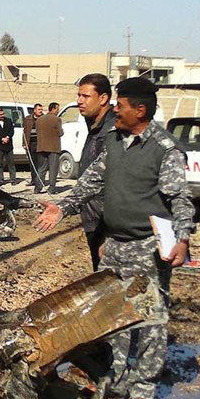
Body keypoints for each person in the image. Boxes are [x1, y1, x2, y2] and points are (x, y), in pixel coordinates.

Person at [33, 77, 194, 399]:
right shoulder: (115, 141)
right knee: (109, 317)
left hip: (149, 247)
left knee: (150, 320)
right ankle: (110, 377)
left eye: (120, 105)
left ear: (141, 110)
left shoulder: (164, 149)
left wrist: (182, 238)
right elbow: (92, 180)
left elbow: (179, 197)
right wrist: (63, 206)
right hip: (115, 244)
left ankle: (143, 391)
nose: (115, 110)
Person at [76, 73, 116, 270]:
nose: (79, 101)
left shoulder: (112, 130)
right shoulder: (95, 125)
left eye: (85, 96)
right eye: (79, 95)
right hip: (94, 216)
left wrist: (110, 233)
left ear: (103, 98)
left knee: (111, 279)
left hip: (107, 219)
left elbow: (116, 181)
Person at [34, 102, 64, 194]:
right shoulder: (56, 119)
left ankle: (37, 188)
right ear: (54, 109)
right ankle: (51, 189)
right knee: (53, 169)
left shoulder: (39, 120)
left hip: (41, 146)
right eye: (57, 109)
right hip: (53, 147)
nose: (58, 111)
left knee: (41, 169)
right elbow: (60, 133)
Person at [23, 103, 44, 182]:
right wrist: (24, 144)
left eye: (41, 110)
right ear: (34, 110)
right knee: (32, 163)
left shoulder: (43, 118)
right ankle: (33, 180)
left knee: (40, 163)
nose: (40, 111)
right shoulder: (28, 119)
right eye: (39, 110)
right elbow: (25, 132)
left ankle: (39, 180)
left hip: (40, 144)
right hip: (30, 144)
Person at [0, 107, 16, 183]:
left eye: (3, 113)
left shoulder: (8, 121)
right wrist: (1, 139)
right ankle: (0, 179)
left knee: (11, 163)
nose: (2, 115)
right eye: (0, 114)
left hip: (8, 146)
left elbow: (11, 131)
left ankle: (13, 179)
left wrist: (7, 137)